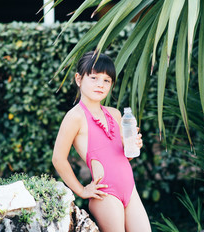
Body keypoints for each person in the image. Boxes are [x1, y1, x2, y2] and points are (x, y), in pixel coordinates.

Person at [52, 51, 151, 232]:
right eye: (94, 78)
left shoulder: (115, 114)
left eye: (106, 80)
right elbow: (58, 158)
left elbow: (121, 157)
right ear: (79, 79)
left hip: (130, 190)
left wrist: (133, 146)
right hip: (106, 194)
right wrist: (81, 190)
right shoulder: (75, 117)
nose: (100, 84)